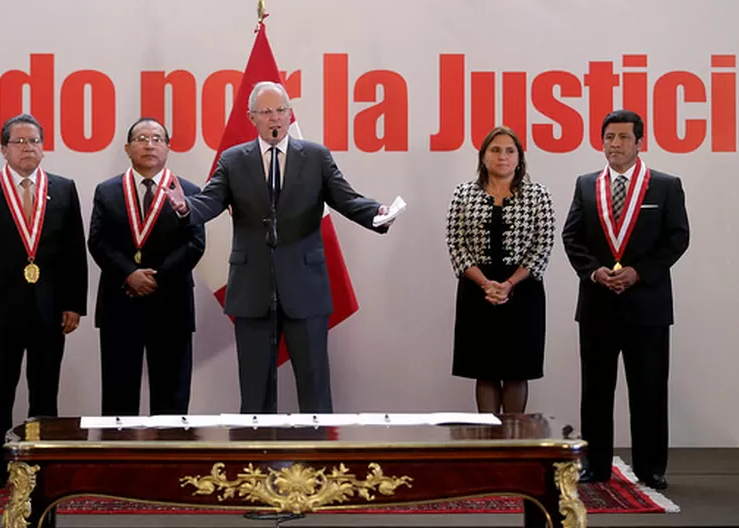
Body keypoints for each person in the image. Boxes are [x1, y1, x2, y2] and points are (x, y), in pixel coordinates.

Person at [164, 81, 393, 414]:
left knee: (314, 387)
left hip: (306, 286)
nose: (275, 118)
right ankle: (255, 463)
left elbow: (347, 198)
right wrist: (186, 209)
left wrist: (378, 214)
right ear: (251, 118)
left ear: (290, 115)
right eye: (267, 112)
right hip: (253, 288)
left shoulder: (315, 156)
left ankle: (317, 463)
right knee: (256, 392)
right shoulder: (233, 159)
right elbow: (210, 201)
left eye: (281, 111)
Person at [0, 113, 88, 489]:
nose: (28, 148)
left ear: (43, 148)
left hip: (50, 312)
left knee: (45, 393)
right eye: (19, 142)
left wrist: (74, 304)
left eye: (34, 141)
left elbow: (73, 253)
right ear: (3, 149)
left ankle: (41, 464)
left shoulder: (63, 189)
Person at [563, 109, 689, 490]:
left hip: (647, 306)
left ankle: (651, 467)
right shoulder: (587, 184)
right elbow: (572, 237)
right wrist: (594, 270)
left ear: (639, 142)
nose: (614, 145)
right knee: (596, 392)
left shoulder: (666, 186)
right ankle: (596, 465)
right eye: (608, 138)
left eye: (622, 138)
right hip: (598, 304)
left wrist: (640, 272)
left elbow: (677, 238)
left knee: (649, 389)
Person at [88, 118, 205, 416]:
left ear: (168, 147)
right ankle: (118, 461)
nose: (149, 144)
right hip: (120, 303)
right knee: (118, 394)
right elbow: (98, 241)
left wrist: (158, 278)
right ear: (128, 148)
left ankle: (169, 462)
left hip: (171, 304)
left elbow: (195, 243)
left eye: (157, 138)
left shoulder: (188, 190)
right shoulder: (107, 191)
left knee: (172, 396)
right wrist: (129, 273)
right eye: (142, 138)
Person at [445, 126, 555, 414]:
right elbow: (456, 246)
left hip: (522, 291)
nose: (502, 156)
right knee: (486, 370)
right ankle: (490, 445)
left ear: (519, 158)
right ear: (483, 157)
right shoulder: (463, 194)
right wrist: (486, 285)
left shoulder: (538, 195)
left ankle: (514, 444)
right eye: (495, 150)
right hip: (477, 290)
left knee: (518, 371)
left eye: (509, 150)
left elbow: (542, 246)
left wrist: (508, 284)